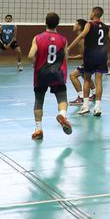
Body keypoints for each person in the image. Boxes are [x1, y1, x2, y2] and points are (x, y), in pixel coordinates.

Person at [27, 12, 73, 141]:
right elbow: (66, 57)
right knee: (62, 98)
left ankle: (38, 130)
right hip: (57, 74)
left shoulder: (38, 38)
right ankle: (62, 114)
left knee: (39, 102)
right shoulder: (63, 39)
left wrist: (34, 64)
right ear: (58, 24)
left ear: (45, 22)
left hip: (41, 74)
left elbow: (30, 56)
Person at [66, 7, 110, 117]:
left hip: (91, 55)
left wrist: (68, 49)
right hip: (102, 56)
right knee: (99, 81)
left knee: (86, 79)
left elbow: (81, 36)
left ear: (93, 13)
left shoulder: (89, 24)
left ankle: (86, 106)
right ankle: (97, 108)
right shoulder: (107, 27)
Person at [67, 18, 87, 106]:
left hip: (89, 62)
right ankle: (93, 94)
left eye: (75, 24)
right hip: (91, 61)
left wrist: (69, 58)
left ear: (79, 27)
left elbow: (83, 55)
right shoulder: (82, 37)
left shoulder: (81, 40)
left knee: (72, 75)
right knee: (85, 75)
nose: (73, 26)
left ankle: (81, 97)